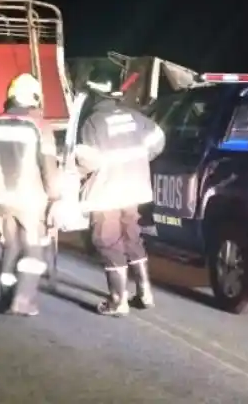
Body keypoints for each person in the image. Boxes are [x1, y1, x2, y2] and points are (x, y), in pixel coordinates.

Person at [74, 70, 166, 317]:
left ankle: (118, 300)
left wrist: (75, 174)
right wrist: (141, 161)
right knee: (131, 237)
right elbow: (158, 140)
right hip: (134, 188)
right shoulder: (134, 117)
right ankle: (145, 293)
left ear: (94, 94)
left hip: (107, 193)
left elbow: (88, 161)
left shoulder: (93, 122)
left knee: (108, 241)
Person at [0, 73, 61, 316]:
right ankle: (22, 301)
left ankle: (6, 296)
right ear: (34, 98)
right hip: (31, 202)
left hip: (3, 199)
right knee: (33, 249)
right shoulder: (39, 127)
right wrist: (55, 198)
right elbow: (48, 168)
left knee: (10, 247)